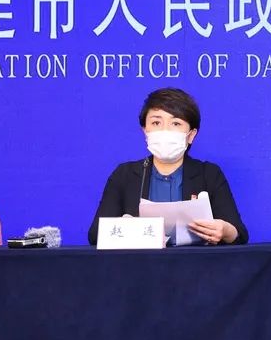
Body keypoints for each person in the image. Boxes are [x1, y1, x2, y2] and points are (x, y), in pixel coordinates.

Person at [87, 88, 248, 246]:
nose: (165, 131)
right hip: (139, 263)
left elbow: (239, 235)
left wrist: (224, 230)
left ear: (191, 135)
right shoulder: (124, 175)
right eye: (156, 123)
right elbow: (95, 235)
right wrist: (128, 230)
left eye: (176, 123)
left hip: (194, 263)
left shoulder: (209, 174)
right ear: (145, 131)